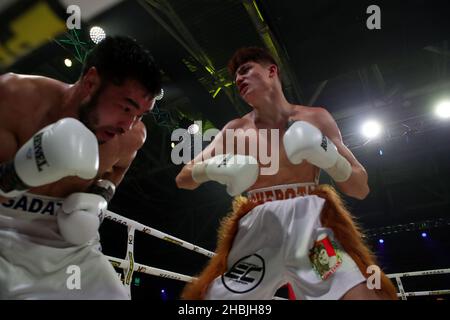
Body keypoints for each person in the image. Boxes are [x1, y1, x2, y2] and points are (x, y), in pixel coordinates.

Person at [176, 47, 397, 300]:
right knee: (214, 302)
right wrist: (212, 167)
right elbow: (184, 178)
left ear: (272, 71)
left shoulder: (315, 118)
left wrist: (331, 158)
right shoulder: (234, 130)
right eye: (236, 77)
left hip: (310, 233)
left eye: (245, 70)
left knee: (361, 297)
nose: (238, 79)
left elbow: (360, 187)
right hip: (257, 232)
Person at [0, 36, 162, 299]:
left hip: (72, 249)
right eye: (126, 108)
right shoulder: (14, 99)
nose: (128, 125)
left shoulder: (131, 138)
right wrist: (13, 176)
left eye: (139, 115)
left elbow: (117, 171)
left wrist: (101, 195)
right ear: (91, 82)